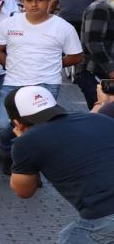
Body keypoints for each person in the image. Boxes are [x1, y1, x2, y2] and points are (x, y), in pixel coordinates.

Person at [0, 0, 83, 175]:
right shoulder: (10, 23)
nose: (34, 4)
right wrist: (9, 65)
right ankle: (10, 153)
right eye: (29, 0)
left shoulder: (63, 26)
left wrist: (54, 64)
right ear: (22, 2)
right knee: (4, 125)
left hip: (46, 83)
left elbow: (76, 56)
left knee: (39, 128)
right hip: (13, 82)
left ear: (48, 2)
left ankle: (32, 166)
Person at [6, 85, 114, 244]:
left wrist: (23, 145)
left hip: (106, 215)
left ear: (17, 122)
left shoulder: (27, 142)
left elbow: (23, 191)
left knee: (70, 238)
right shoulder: (99, 119)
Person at [76, 0, 114, 109]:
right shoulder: (100, 8)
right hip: (94, 73)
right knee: (102, 116)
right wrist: (111, 69)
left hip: (102, 73)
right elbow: (93, 43)